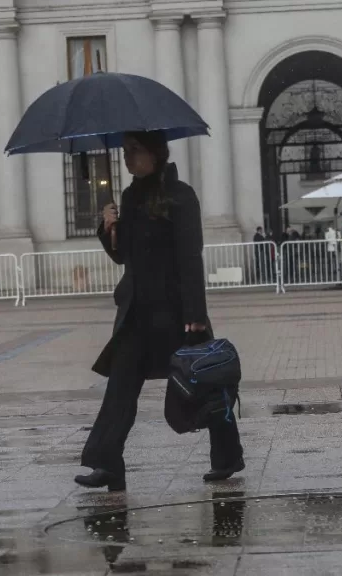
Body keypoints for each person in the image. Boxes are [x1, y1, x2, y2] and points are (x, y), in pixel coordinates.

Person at [75, 130, 244, 492]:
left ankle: (228, 456)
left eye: (134, 150)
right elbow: (124, 257)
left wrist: (195, 313)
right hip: (137, 314)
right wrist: (108, 229)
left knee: (205, 384)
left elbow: (190, 256)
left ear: (155, 152)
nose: (126, 157)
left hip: (177, 312)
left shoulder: (181, 196)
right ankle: (106, 463)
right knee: (119, 388)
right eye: (124, 151)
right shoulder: (130, 198)